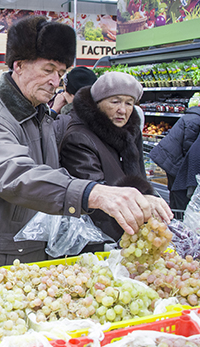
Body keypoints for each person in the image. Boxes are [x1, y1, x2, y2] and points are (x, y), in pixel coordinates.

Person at [0, 16, 173, 269]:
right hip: (3, 252)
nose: (55, 81)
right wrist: (93, 193)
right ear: (18, 65)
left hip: (31, 243)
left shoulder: (38, 113)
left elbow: (52, 172)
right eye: (48, 70)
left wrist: (126, 197)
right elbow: (15, 175)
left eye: (61, 73)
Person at [59, 72, 169, 244]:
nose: (122, 110)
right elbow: (94, 193)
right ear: (97, 103)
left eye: (129, 103)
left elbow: (139, 176)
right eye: (115, 101)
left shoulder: (129, 133)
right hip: (98, 239)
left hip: (126, 230)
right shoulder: (79, 137)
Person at [149, 105, 200, 210]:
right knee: (178, 189)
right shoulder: (195, 121)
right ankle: (176, 217)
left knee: (174, 189)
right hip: (171, 157)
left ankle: (173, 213)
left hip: (170, 155)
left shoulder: (195, 117)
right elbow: (188, 146)